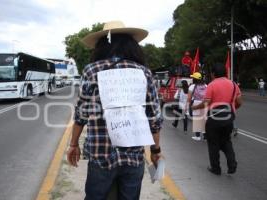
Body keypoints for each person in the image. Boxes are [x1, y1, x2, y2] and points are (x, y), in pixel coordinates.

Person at [66, 21, 163, 199]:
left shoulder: (91, 70)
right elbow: (154, 119)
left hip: (100, 154)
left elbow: (81, 114)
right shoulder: (144, 72)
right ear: (131, 45)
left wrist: (73, 144)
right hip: (133, 156)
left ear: (102, 45)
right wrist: (156, 151)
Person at [192, 63, 242, 175]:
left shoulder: (212, 85)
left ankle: (216, 168)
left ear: (213, 73)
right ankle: (232, 164)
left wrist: (195, 107)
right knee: (226, 142)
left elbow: (206, 103)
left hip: (213, 120)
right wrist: (232, 109)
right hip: (228, 119)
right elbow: (239, 102)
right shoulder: (234, 85)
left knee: (213, 143)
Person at [187, 72, 207, 141]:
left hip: (196, 103)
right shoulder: (205, 85)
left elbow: (189, 98)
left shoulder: (192, 86)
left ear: (194, 79)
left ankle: (198, 136)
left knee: (197, 119)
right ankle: (205, 136)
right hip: (204, 103)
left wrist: (189, 105)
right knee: (204, 119)